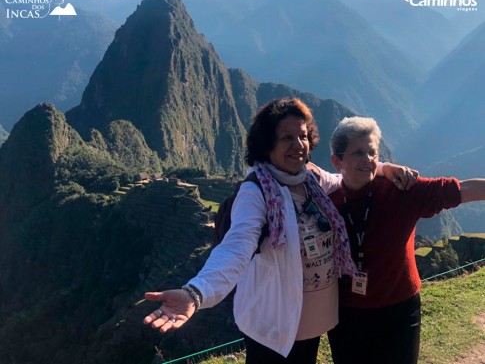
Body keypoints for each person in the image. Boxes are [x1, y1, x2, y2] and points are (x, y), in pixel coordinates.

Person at [142, 98, 415, 363]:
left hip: (310, 325)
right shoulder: (256, 192)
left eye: (303, 136)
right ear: (267, 144)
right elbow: (237, 247)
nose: (298, 145)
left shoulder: (311, 178)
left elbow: (346, 176)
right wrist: (196, 293)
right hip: (275, 327)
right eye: (287, 138)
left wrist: (384, 168)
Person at [327, 116, 485, 364]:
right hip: (347, 314)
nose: (368, 159)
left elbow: (457, 190)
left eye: (372, 152)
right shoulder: (327, 201)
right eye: (358, 153)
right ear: (337, 161)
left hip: (399, 311)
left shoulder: (400, 190)